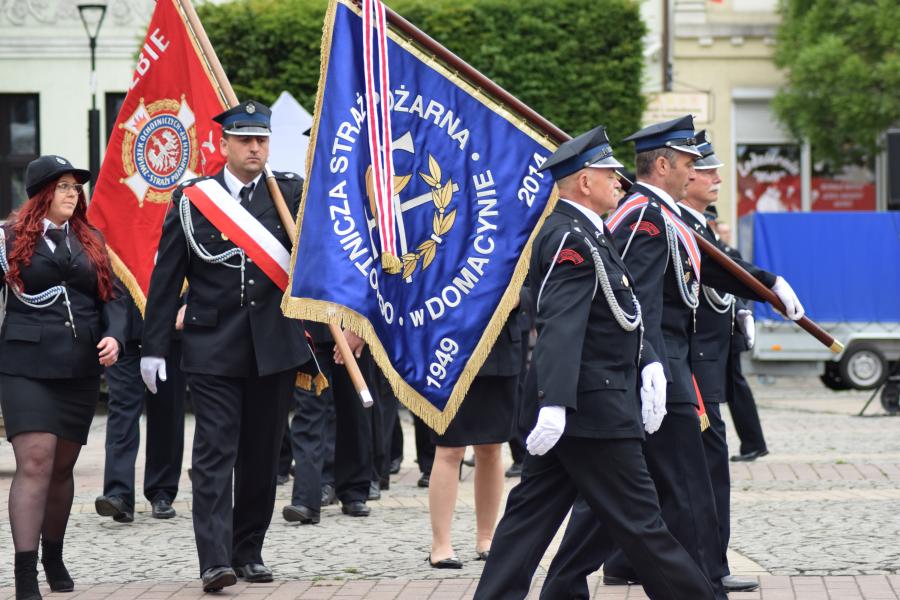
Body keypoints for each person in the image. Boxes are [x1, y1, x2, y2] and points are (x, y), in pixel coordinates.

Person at [544, 115, 805, 599]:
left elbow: (706, 264)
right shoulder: (644, 217)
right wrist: (650, 365)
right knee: (680, 491)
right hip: (660, 372)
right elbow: (635, 302)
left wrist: (765, 284)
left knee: (629, 495)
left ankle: (567, 584)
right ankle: (702, 585)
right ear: (663, 164)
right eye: (688, 162)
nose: (695, 171)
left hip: (669, 370)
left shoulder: (664, 215)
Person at [474, 126, 716, 600]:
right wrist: (556, 402)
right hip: (592, 409)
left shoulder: (589, 232)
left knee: (528, 519)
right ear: (584, 181)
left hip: (586, 405)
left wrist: (648, 363)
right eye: (609, 174)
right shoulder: (571, 237)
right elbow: (563, 323)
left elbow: (624, 312)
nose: (620, 182)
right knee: (643, 524)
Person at [140, 100, 312, 592]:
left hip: (273, 346)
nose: (255, 148)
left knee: (261, 455)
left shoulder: (290, 196)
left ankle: (248, 550)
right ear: (224, 144)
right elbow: (166, 276)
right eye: (245, 140)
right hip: (212, 343)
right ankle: (215, 560)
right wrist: (153, 345)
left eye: (261, 139)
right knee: (214, 453)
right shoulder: (195, 199)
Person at [0, 155, 125, 600]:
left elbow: (114, 300)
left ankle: (53, 553)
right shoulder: (8, 238)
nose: (74, 194)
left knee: (62, 468)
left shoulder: (90, 238)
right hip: (25, 366)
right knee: (35, 461)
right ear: (41, 193)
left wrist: (116, 337)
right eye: (64, 186)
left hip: (79, 367)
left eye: (76, 187)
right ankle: (25, 573)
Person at [676, 134, 758, 592]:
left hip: (706, 364)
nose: (716, 178)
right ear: (685, 175)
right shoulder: (676, 224)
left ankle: (626, 560)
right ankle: (710, 566)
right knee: (699, 470)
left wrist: (745, 308)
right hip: (686, 366)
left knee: (660, 470)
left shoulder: (700, 226)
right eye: (706, 170)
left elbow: (729, 275)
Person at [427, 290, 526, 568]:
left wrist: (519, 297)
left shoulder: (518, 243)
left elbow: (537, 284)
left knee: (492, 447)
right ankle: (441, 545)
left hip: (500, 347)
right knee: (450, 448)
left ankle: (486, 538)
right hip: (450, 348)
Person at [95, 289, 186, 523]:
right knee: (122, 410)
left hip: (167, 328)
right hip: (122, 330)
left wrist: (191, 302)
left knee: (167, 410)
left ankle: (162, 491)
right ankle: (118, 494)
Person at [714, 220, 770, 461]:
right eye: (720, 230)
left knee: (736, 389)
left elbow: (737, 293)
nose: (723, 235)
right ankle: (753, 443)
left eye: (725, 232)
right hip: (716, 333)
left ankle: (753, 443)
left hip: (728, 331)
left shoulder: (728, 254)